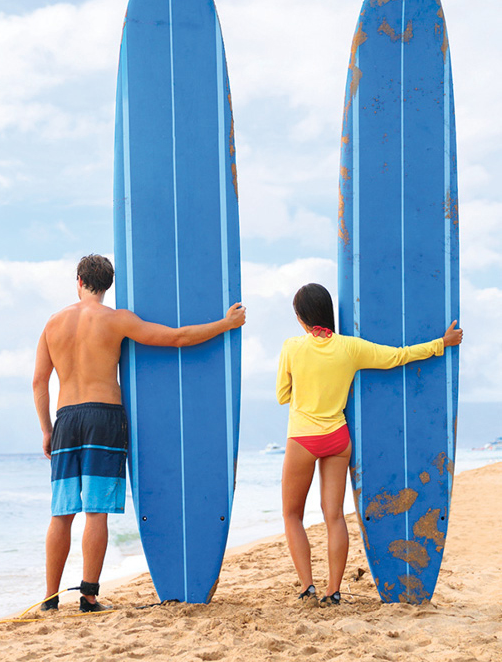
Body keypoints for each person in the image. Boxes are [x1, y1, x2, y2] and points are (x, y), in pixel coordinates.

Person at [33, 254, 246, 613]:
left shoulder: (53, 323)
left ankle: (50, 597)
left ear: (80, 282)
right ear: (108, 284)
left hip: (66, 418)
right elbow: (177, 338)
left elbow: (39, 381)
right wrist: (226, 324)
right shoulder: (117, 321)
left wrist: (46, 429)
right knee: (95, 511)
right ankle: (88, 596)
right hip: (103, 416)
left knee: (61, 512)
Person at [277, 282, 462, 606]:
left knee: (292, 514)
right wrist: (441, 344)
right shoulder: (350, 348)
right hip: (337, 437)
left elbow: (282, 395)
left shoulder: (292, 347)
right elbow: (397, 356)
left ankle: (307, 587)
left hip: (303, 439)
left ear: (301, 317)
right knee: (333, 515)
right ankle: (333, 592)